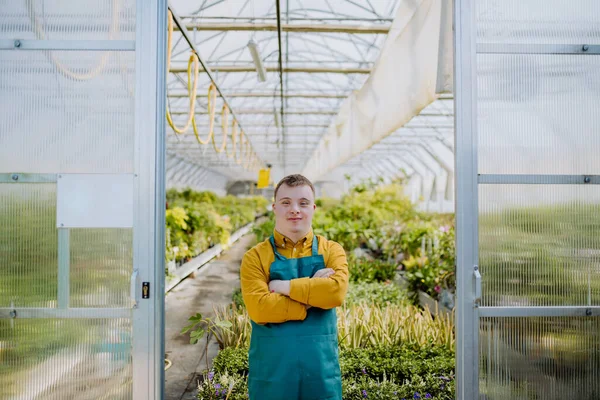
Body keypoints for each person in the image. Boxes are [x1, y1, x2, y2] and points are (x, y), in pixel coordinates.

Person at [240, 174, 349, 400]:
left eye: (303, 203)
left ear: (313, 208)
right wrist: (313, 293)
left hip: (320, 373)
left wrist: (282, 286)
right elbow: (260, 309)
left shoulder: (332, 251)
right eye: (286, 202)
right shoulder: (255, 257)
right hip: (272, 374)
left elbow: (335, 293)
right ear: (274, 208)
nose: (295, 210)